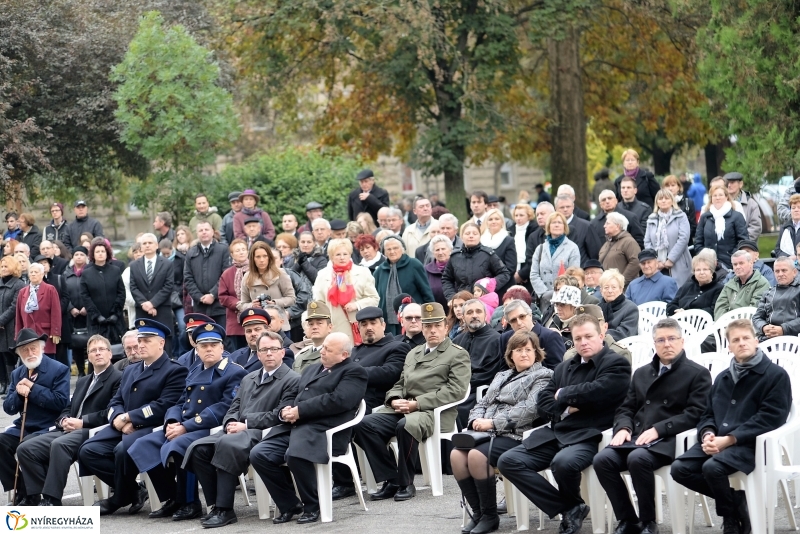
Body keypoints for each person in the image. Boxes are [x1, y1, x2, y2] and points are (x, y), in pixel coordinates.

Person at [497, 314, 631, 534]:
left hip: (589, 434)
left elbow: (600, 392)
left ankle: (571, 508)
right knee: (509, 461)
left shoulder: (616, 363)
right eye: (578, 338)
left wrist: (563, 394)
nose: (583, 342)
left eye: (588, 336)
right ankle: (570, 507)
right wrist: (569, 406)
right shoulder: (563, 368)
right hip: (556, 432)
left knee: (563, 462)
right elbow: (544, 404)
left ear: (601, 335)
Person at [671, 319, 792, 534]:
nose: (742, 343)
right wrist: (707, 434)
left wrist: (730, 439)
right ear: (729, 346)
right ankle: (736, 500)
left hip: (750, 444)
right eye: (735, 340)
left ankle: (729, 518)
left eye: (746, 338)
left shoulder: (775, 375)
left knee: (712, 468)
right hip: (718, 441)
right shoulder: (723, 377)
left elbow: (772, 417)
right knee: (679, 469)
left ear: (756, 341)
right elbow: (707, 414)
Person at [594, 318, 711, 534]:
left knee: (637, 459)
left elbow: (696, 414)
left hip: (669, 440)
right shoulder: (641, 373)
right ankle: (628, 519)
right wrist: (623, 428)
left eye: (672, 339)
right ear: (654, 344)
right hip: (637, 437)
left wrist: (659, 429)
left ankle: (648, 522)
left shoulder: (697, 373)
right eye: (661, 340)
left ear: (682, 341)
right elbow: (625, 408)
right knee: (602, 460)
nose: (667, 344)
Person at [127, 323, 247, 521]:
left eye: (213, 345)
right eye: (203, 346)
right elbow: (180, 401)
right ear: (197, 349)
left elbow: (224, 407)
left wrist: (186, 426)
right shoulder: (194, 370)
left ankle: (190, 502)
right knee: (142, 445)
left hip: (207, 428)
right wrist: (172, 421)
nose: (208, 349)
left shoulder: (234, 372)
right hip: (183, 424)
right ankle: (173, 497)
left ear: (222, 348)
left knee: (180, 446)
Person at [354, 302, 470, 502]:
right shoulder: (413, 353)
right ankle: (391, 479)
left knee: (405, 425)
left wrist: (417, 403)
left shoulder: (457, 354)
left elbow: (456, 391)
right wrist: (395, 399)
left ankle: (406, 482)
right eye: (427, 326)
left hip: (433, 412)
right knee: (364, 425)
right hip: (405, 408)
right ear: (423, 328)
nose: (432, 330)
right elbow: (400, 382)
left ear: (446, 326)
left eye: (436, 325)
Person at [185, 330, 301, 527]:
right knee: (198, 448)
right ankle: (215, 505)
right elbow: (234, 406)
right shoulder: (250, 377)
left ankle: (226, 510)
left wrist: (245, 424)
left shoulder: (292, 379)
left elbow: (280, 414)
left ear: (282, 352)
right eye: (264, 350)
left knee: (228, 444)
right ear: (257, 354)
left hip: (264, 432)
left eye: (274, 349)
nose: (269, 353)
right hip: (238, 430)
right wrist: (230, 422)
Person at [250, 332, 368, 524]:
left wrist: (301, 411)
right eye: (323, 347)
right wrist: (287, 409)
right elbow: (295, 394)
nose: (322, 351)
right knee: (259, 454)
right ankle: (289, 504)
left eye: (328, 350)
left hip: (325, 431)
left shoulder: (354, 371)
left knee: (294, 455)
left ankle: (312, 505)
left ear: (343, 355)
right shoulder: (312, 369)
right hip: (296, 427)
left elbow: (340, 401)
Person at [79, 319, 188, 515]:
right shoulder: (130, 369)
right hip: (123, 427)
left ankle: (119, 497)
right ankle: (133, 491)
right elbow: (115, 401)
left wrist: (130, 417)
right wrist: (119, 419)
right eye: (140, 340)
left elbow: (163, 405)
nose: (141, 344)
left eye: (147, 340)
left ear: (161, 343)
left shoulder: (174, 370)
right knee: (88, 450)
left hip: (150, 427)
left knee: (123, 450)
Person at [454, 330, 554, 534]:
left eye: (528, 349)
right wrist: (475, 420)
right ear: (510, 354)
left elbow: (528, 410)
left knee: (475, 456)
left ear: (536, 353)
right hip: (488, 434)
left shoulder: (543, 375)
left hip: (518, 435)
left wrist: (491, 422)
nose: (524, 354)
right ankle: (479, 513)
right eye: (518, 350)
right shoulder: (502, 375)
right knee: (456, 455)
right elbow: (482, 402)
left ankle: (490, 517)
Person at [16, 334, 123, 506]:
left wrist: (83, 422)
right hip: (68, 429)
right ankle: (36, 495)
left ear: (110, 354)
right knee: (26, 448)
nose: (97, 353)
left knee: (59, 445)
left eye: (102, 349)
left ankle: (52, 499)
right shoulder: (83, 381)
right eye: (93, 351)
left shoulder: (118, 378)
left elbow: (112, 411)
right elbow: (68, 407)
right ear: (88, 356)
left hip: (93, 430)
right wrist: (64, 419)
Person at [331, 307, 411, 500]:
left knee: (346, 423)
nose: (369, 328)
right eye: (364, 324)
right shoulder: (355, 350)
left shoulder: (397, 347)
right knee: (324, 420)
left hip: (378, 401)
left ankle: (387, 478)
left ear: (383, 325)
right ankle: (343, 481)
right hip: (349, 400)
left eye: (373, 323)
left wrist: (352, 373)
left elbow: (390, 373)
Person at [0, 329, 70, 504]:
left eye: (33, 348)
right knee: (1, 442)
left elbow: (61, 402)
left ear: (42, 348)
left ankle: (36, 495)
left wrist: (32, 389)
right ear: (19, 354)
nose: (30, 353)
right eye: (24, 350)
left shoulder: (59, 369)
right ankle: (22, 489)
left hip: (49, 426)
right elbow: (8, 408)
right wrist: (18, 393)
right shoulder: (17, 373)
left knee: (27, 445)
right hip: (25, 426)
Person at [312, 238, 379, 343]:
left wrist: (356, 305)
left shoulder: (363, 272)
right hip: (334, 328)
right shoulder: (322, 274)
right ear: (331, 256)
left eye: (345, 254)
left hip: (357, 326)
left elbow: (374, 299)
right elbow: (319, 303)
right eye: (338, 254)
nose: (342, 258)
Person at [453, 299, 502, 426]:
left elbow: (489, 373)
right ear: (463, 317)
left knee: (454, 411)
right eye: (469, 312)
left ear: (485, 315)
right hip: (454, 388)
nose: (474, 315)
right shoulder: (457, 340)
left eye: (478, 311)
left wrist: (461, 385)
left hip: (477, 392)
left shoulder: (496, 339)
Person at [374, 236, 434, 335]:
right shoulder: (380, 271)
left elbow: (426, 292)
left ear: (402, 249)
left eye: (395, 248)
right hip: (388, 322)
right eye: (388, 249)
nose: (392, 251)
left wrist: (431, 314)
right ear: (384, 252)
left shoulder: (414, 265)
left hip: (413, 320)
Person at [442, 222, 510, 301]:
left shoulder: (488, 254)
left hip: (484, 302)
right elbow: (446, 279)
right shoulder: (455, 257)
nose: (471, 236)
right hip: (462, 302)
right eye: (467, 233)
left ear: (479, 236)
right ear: (461, 237)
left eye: (475, 233)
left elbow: (504, 274)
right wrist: (451, 298)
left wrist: (488, 285)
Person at [129, 233, 175, 346]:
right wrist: (144, 304)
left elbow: (168, 286)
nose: (147, 245)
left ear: (156, 245)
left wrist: (153, 303)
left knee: (164, 345)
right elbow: (133, 287)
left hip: (162, 311)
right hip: (142, 312)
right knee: (145, 345)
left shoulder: (167, 264)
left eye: (150, 243)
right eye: (144, 243)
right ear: (141, 246)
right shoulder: (134, 265)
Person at [183, 221, 230, 328]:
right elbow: (188, 278)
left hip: (219, 306)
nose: (204, 232)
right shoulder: (191, 253)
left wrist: (213, 294)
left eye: (206, 229)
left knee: (222, 339)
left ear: (213, 232)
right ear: (197, 234)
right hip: (200, 307)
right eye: (201, 230)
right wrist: (199, 297)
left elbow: (225, 275)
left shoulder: (223, 250)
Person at [80, 239, 125, 346]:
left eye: (103, 251)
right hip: (95, 322)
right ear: (92, 254)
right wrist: (96, 316)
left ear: (107, 253)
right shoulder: (86, 273)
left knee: (117, 352)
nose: (100, 254)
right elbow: (85, 296)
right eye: (97, 251)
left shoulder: (115, 270)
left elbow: (121, 293)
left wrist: (115, 314)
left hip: (115, 320)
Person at [644, 189, 693, 287]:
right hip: (657, 265)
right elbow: (647, 241)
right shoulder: (651, 218)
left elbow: (683, 239)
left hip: (679, 263)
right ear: (656, 202)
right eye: (660, 199)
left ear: (672, 201)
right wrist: (656, 260)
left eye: (666, 198)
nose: (663, 201)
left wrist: (671, 259)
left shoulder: (681, 216)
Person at [529, 212, 581, 301]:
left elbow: (574, 275)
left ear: (564, 227)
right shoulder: (540, 248)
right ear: (548, 226)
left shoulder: (573, 248)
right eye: (553, 222)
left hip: (564, 297)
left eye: (559, 223)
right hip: (544, 298)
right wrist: (544, 293)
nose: (556, 225)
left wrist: (559, 292)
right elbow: (534, 274)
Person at [501, 299, 565, 370]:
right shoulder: (505, 338)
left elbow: (557, 370)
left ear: (530, 315)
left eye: (522, 316)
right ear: (509, 323)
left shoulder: (550, 337)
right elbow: (503, 368)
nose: (519, 322)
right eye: (513, 320)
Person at [695, 184, 748, 270]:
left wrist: (733, 256)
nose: (717, 198)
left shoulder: (736, 216)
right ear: (711, 198)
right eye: (714, 195)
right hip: (708, 264)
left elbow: (743, 241)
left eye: (720, 195)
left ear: (726, 197)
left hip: (731, 264)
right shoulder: (705, 217)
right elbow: (698, 241)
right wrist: (704, 257)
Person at [15, 262, 61, 358]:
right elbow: (18, 316)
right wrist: (17, 335)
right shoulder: (22, 292)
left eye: (36, 272)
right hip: (28, 333)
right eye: (31, 272)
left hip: (45, 333)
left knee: (47, 362)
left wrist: (55, 332)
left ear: (42, 274)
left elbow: (56, 312)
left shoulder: (50, 289)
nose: (33, 274)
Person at [240, 242, 295, 319]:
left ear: (269, 257)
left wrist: (275, 302)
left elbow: (291, 298)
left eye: (265, 256)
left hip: (278, 321)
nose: (262, 260)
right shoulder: (247, 277)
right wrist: (252, 305)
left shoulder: (280, 273)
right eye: (258, 257)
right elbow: (242, 304)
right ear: (253, 259)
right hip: (257, 321)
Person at [752, 257, 800, 341]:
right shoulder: (768, 292)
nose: (780, 274)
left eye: (784, 270)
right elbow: (757, 317)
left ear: (794, 272)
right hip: (768, 337)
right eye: (777, 271)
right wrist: (764, 327)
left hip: (793, 338)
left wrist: (783, 329)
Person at [715, 250, 771, 320]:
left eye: (741, 263)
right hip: (726, 326)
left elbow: (753, 310)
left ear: (751, 263)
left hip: (749, 326)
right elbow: (720, 307)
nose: (738, 267)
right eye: (735, 264)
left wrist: (733, 324)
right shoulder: (729, 284)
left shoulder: (762, 283)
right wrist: (723, 324)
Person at [218, 239, 248, 350]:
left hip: (255, 318)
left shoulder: (255, 270)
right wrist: (238, 304)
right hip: (235, 321)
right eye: (237, 250)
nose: (241, 252)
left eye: (243, 249)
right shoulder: (227, 274)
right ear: (232, 254)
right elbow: (223, 296)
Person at [0, 256, 25, 392]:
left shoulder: (19, 284)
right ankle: (3, 383)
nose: (3, 269)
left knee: (10, 355)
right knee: (1, 355)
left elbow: (14, 306)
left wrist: (1, 320)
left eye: (6, 266)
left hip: (11, 326)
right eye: (2, 266)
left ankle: (12, 385)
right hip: (1, 327)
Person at [599, 213, 642, 287]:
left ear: (617, 226)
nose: (604, 226)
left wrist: (621, 282)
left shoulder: (629, 242)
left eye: (608, 223)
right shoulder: (607, 244)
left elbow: (636, 262)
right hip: (608, 288)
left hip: (624, 289)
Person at [554, 195, 598, 266]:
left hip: (580, 272)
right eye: (562, 207)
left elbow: (594, 254)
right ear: (556, 209)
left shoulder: (586, 226)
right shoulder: (552, 228)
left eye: (568, 206)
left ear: (573, 207)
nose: (565, 209)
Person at [291, 301, 334, 374]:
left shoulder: (335, 354)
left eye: (319, 323)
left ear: (330, 327)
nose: (314, 327)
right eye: (311, 324)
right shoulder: (300, 356)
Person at [598, 268, 639, 341]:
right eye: (606, 287)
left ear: (621, 290)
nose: (610, 291)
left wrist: (597, 334)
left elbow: (624, 334)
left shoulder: (631, 308)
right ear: (601, 291)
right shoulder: (597, 308)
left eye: (614, 287)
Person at [724, 172, 762, 241]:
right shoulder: (723, 202)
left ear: (740, 184)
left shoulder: (751, 204)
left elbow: (755, 228)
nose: (729, 185)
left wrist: (742, 242)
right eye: (728, 183)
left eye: (732, 182)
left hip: (746, 247)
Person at [662, 175, 697, 246]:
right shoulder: (660, 203)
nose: (670, 188)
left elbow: (693, 226)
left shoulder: (688, 203)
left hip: (685, 244)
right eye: (667, 186)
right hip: (665, 244)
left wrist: (681, 239)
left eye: (673, 185)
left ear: (679, 187)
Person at [424, 235, 453, 309]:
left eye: (443, 249)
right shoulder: (426, 270)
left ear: (450, 250)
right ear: (433, 253)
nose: (440, 252)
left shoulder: (457, 268)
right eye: (437, 250)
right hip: (434, 311)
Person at [774, 193, 800, 257]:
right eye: (793, 208)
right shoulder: (785, 228)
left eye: (799, 207)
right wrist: (788, 257)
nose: (796, 210)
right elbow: (777, 250)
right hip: (789, 263)